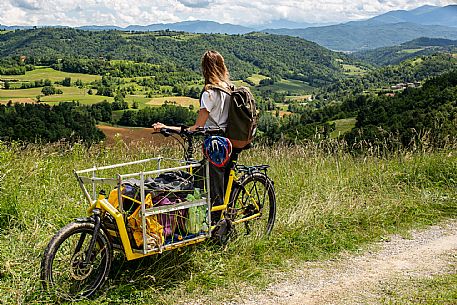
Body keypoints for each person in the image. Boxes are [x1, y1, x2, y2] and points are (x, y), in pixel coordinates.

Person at [152, 50, 241, 222]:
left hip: (215, 146)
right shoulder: (229, 89)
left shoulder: (209, 93)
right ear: (222, 67)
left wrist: (168, 128)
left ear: (205, 69)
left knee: (211, 185)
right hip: (228, 141)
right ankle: (221, 219)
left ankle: (217, 224)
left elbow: (197, 127)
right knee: (219, 182)